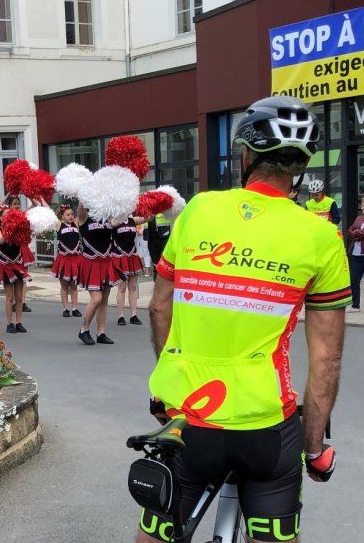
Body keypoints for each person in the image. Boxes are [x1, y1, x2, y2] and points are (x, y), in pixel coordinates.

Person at [139, 96, 348, 543]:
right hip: (266, 430)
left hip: (190, 420)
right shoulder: (322, 237)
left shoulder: (198, 210)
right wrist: (314, 449)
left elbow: (159, 308)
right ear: (300, 165)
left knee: (157, 536)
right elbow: (326, 362)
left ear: (246, 154)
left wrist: (169, 389)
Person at [0, 200, 50, 333]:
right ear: (2, 218)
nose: (10, 217)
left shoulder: (19, 229)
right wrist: (10, 228)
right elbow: (1, 240)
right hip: (6, 264)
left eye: (11, 215)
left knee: (19, 297)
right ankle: (10, 324)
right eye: (7, 215)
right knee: (9, 297)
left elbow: (28, 234)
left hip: (18, 263)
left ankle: (19, 322)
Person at [75, 204, 122, 346]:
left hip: (106, 261)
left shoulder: (107, 218)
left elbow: (120, 219)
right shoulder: (84, 218)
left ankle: (101, 333)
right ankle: (84, 329)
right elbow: (81, 205)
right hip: (91, 262)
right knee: (96, 298)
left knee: (104, 300)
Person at [0, 193, 33, 313]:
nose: (17, 206)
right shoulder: (6, 215)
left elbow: (34, 205)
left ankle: (22, 301)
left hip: (22, 248)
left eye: (18, 204)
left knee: (23, 276)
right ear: (10, 205)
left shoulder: (23, 215)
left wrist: (28, 191)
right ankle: (14, 302)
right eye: (15, 204)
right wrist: (9, 192)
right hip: (11, 250)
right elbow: (0, 205)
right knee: (14, 279)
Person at [114, 215, 148, 327]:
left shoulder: (133, 220)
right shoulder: (114, 219)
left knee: (133, 287)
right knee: (122, 287)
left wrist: (155, 205)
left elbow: (148, 218)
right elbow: (111, 225)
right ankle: (120, 315)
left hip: (132, 255)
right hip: (119, 255)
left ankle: (134, 315)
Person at [50, 205, 82, 318]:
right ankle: (65, 308)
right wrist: (42, 200)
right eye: (68, 215)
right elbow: (50, 214)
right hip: (64, 259)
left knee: (74, 285)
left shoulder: (76, 223)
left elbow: (81, 209)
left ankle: (75, 308)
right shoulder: (60, 225)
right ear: (62, 216)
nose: (71, 216)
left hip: (75, 259)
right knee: (64, 285)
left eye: (72, 214)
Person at [146, 213, 171, 280]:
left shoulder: (163, 203)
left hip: (164, 234)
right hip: (151, 235)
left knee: (166, 257)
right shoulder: (146, 204)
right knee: (154, 258)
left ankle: (167, 277)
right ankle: (156, 275)